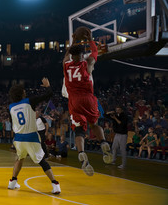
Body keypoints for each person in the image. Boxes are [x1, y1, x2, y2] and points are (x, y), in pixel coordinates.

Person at [62, 31, 112, 176]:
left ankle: (82, 153)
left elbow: (66, 55)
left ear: (72, 55)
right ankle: (103, 143)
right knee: (94, 124)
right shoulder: (88, 63)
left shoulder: (66, 65)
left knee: (79, 131)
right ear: (82, 54)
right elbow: (95, 51)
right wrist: (90, 40)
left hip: (74, 100)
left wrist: (72, 41)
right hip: (88, 98)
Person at [7, 78, 61, 194]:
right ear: (22, 93)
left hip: (18, 138)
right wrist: (47, 86)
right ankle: (55, 184)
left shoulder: (10, 107)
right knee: (42, 160)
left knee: (20, 158)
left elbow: (13, 124)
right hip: (31, 137)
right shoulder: (29, 101)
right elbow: (49, 94)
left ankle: (12, 182)